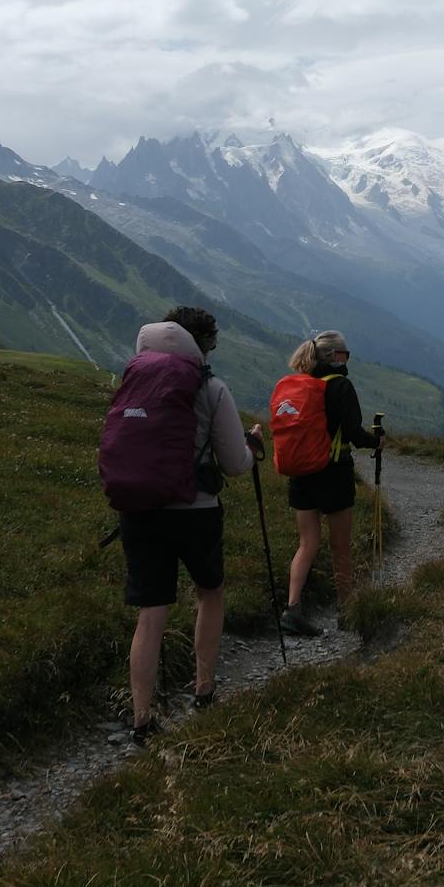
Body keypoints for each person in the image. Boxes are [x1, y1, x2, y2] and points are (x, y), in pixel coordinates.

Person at [111, 306, 263, 742]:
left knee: (151, 612)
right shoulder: (210, 387)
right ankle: (204, 688)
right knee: (209, 593)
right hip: (196, 510)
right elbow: (235, 464)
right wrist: (254, 446)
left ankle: (143, 718)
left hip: (138, 510)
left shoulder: (132, 378)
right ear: (203, 343)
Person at [279, 329, 382, 637]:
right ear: (335, 356)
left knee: (307, 544)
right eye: (346, 354)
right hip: (334, 473)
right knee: (340, 547)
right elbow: (353, 433)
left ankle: (292, 609)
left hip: (301, 474)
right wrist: (376, 441)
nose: (347, 358)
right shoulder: (341, 386)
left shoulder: (301, 386)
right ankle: (347, 610)